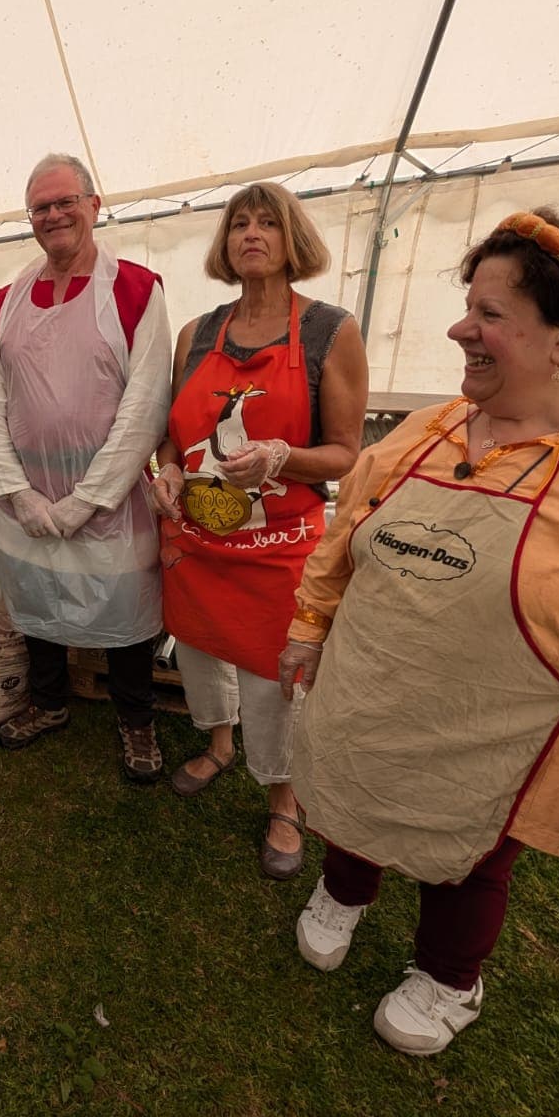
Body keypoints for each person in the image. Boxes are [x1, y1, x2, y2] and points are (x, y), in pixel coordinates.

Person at [281, 209, 559, 1056]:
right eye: (467, 306)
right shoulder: (430, 429)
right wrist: (310, 625)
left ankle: (448, 978)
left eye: (489, 314)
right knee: (349, 793)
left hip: (492, 728)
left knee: (469, 853)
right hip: (369, 690)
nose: (460, 328)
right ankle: (345, 891)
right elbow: (346, 538)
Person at [149, 183, 368, 878]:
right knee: (201, 650)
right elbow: (170, 434)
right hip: (198, 540)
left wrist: (281, 457)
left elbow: (345, 451)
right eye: (239, 223)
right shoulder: (199, 332)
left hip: (277, 546)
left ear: (290, 239)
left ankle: (283, 794)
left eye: (267, 223)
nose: (251, 234)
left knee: (279, 673)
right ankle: (218, 742)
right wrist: (169, 473)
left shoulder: (330, 329)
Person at [0, 153, 172, 779]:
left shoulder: (136, 290)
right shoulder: (7, 299)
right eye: (41, 207)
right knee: (38, 594)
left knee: (127, 610)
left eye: (66, 202)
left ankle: (137, 720)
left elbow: (145, 406)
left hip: (108, 498)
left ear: (95, 204)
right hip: (30, 493)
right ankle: (48, 700)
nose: (54, 215)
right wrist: (18, 493)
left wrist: (88, 500)